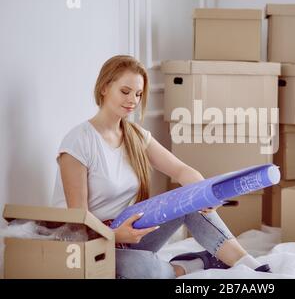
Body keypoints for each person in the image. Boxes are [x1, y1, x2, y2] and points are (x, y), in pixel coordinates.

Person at [51, 55, 270, 278]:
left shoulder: (135, 135)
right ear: (105, 87)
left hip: (130, 233)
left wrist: (205, 195)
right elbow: (77, 218)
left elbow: (181, 171)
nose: (133, 101)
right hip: (92, 242)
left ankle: (246, 263)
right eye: (125, 92)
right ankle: (194, 264)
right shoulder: (79, 141)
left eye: (138, 94)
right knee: (145, 270)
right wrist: (116, 235)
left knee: (190, 198)